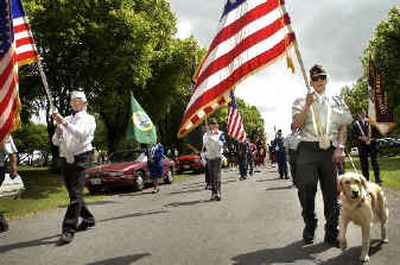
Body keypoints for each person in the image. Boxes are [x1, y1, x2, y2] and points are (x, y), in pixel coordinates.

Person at [292, 64, 352, 247]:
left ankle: (331, 231)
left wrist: (340, 147)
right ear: (310, 81)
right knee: (306, 189)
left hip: (330, 150)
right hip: (308, 148)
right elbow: (295, 126)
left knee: (332, 192)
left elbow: (343, 126)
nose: (319, 81)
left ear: (327, 79)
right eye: (316, 78)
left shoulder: (337, 101)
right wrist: (307, 106)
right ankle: (310, 223)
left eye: (322, 77)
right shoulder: (301, 101)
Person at [52, 90, 96, 244]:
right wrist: (58, 134)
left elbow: (81, 135)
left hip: (81, 158)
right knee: (73, 194)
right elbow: (55, 142)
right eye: (73, 100)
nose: (75, 102)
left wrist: (64, 123)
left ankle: (68, 229)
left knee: (76, 194)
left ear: (85, 103)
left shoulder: (90, 119)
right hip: (65, 158)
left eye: (79, 100)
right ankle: (89, 218)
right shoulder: (66, 119)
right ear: (70, 103)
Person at [352, 108, 382, 185]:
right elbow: (353, 135)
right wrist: (360, 138)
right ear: (358, 114)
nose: (362, 114)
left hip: (372, 144)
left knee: (375, 162)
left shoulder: (371, 122)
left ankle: (377, 179)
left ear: (365, 113)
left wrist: (372, 138)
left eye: (363, 112)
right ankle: (366, 179)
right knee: (364, 163)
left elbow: (378, 133)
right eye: (360, 113)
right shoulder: (355, 124)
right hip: (362, 146)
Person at [203, 118, 225, 201]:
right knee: (211, 176)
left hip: (217, 156)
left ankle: (218, 193)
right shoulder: (206, 135)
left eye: (214, 124)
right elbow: (204, 146)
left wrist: (218, 142)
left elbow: (222, 143)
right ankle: (213, 193)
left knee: (217, 175)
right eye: (211, 124)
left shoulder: (220, 134)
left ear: (217, 125)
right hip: (209, 157)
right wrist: (203, 155)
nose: (213, 125)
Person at [0, 135, 18, 232]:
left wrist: (13, 169)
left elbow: (11, 152)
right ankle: (2, 224)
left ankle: (2, 223)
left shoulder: (4, 132)